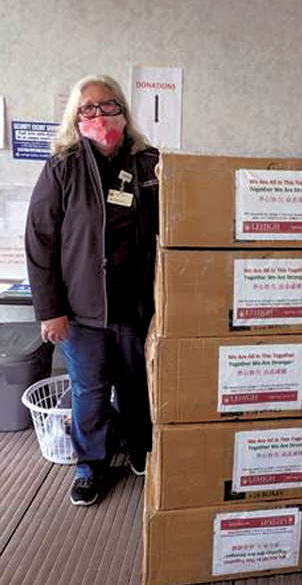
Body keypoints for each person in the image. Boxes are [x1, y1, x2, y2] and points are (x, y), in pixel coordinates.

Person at [25, 75, 159, 506]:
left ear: (123, 110)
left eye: (108, 105)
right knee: (89, 391)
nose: (99, 115)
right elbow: (40, 241)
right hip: (81, 311)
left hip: (137, 307)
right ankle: (91, 463)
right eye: (89, 108)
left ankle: (142, 448)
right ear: (75, 116)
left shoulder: (149, 163)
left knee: (138, 386)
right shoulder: (62, 166)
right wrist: (50, 311)